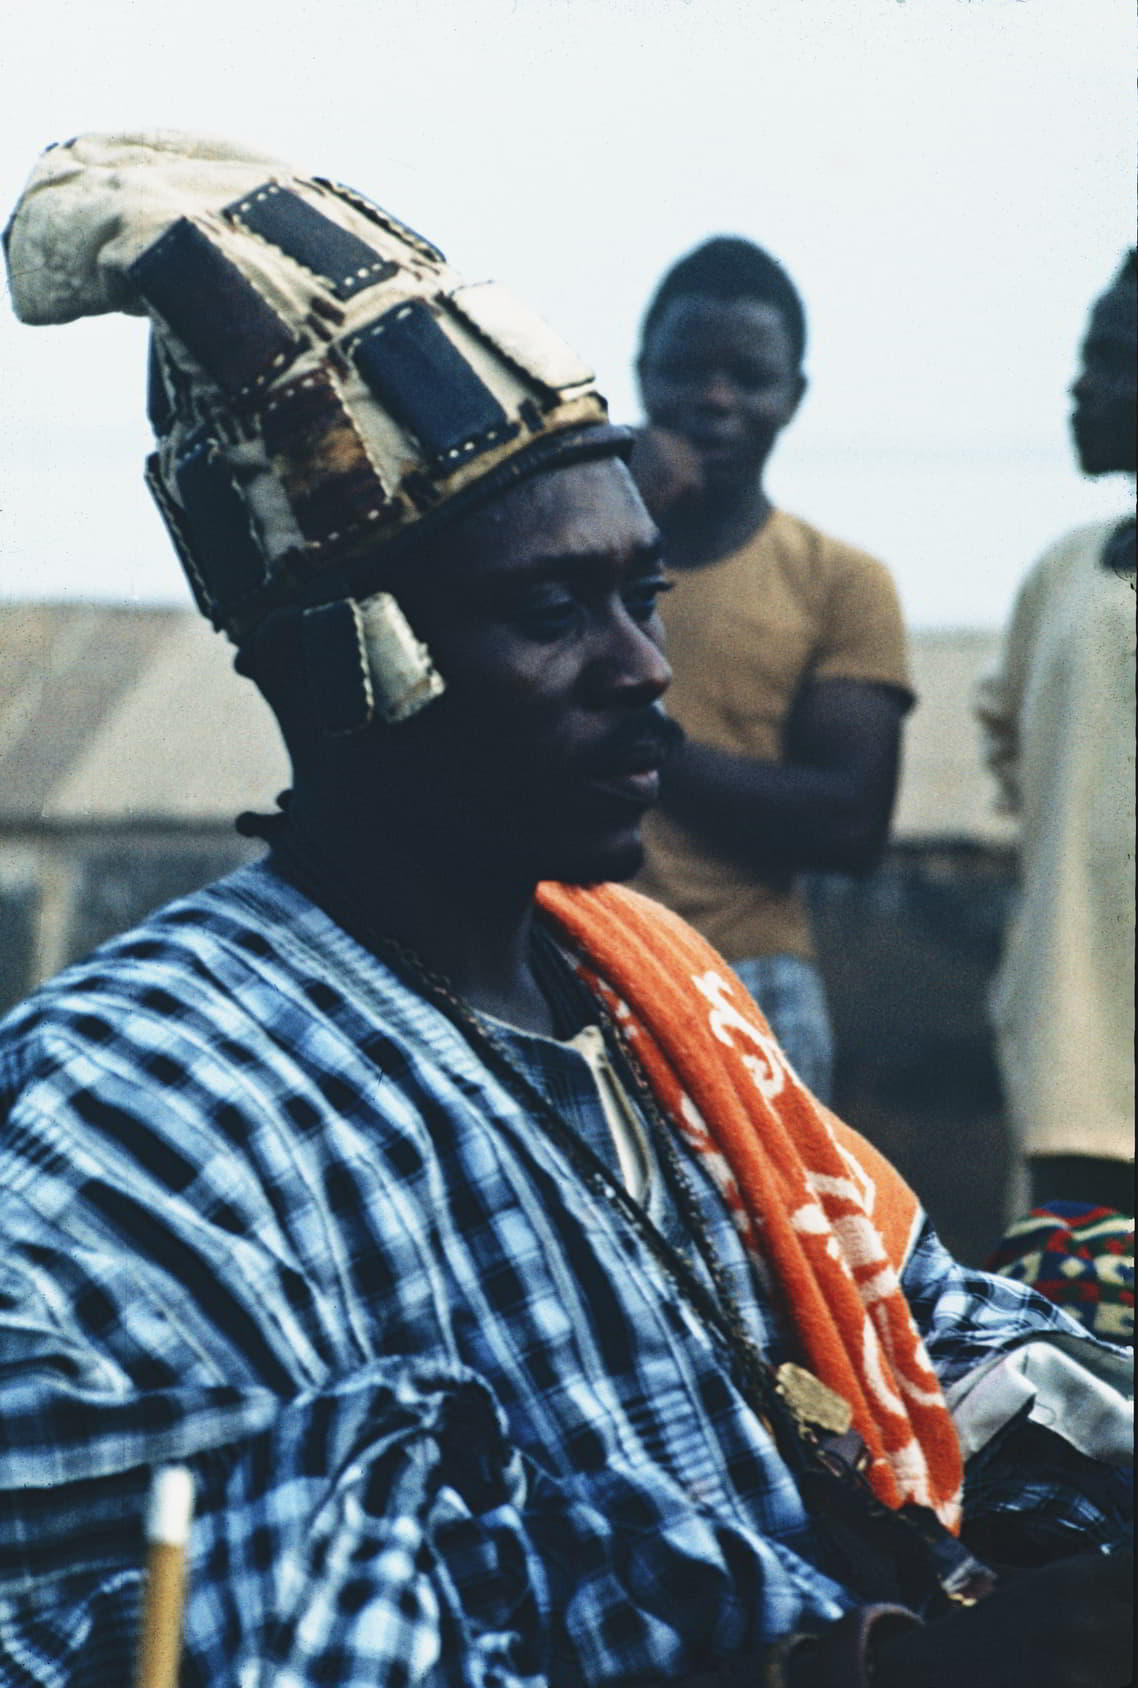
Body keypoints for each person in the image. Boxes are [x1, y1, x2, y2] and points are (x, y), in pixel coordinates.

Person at [0, 133, 1131, 1688]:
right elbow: (217, 1622)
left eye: (639, 599)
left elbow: (917, 1325)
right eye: (550, 613)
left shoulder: (655, 989)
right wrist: (835, 1666)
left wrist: (1062, 1491)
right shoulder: (139, 1103)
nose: (641, 668)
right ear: (348, 668)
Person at [629, 238, 914, 1103]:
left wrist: (628, 736)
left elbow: (847, 824)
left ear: (795, 396)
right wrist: (625, 517)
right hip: (558, 960)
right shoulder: (567, 561)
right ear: (642, 374)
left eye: (748, 377)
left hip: (747, 981)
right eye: (687, 371)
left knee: (769, 1241)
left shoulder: (840, 581)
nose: (715, 399)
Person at [975, 252, 1136, 1220]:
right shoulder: (1064, 573)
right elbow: (1007, 739)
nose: (1083, 386)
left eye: (1115, 360)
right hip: (1069, 1054)